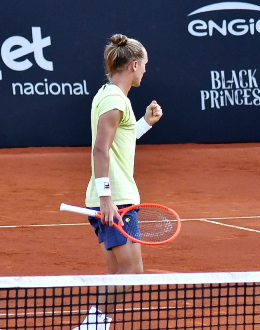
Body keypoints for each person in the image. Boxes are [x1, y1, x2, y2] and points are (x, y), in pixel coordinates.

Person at [76, 34, 163, 330]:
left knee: (116, 272)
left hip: (111, 197)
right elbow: (100, 149)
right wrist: (106, 198)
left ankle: (95, 327)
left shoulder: (110, 96)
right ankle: (90, 327)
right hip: (117, 200)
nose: (146, 71)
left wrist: (145, 123)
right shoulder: (114, 99)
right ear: (134, 65)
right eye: (145, 65)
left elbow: (119, 142)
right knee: (132, 270)